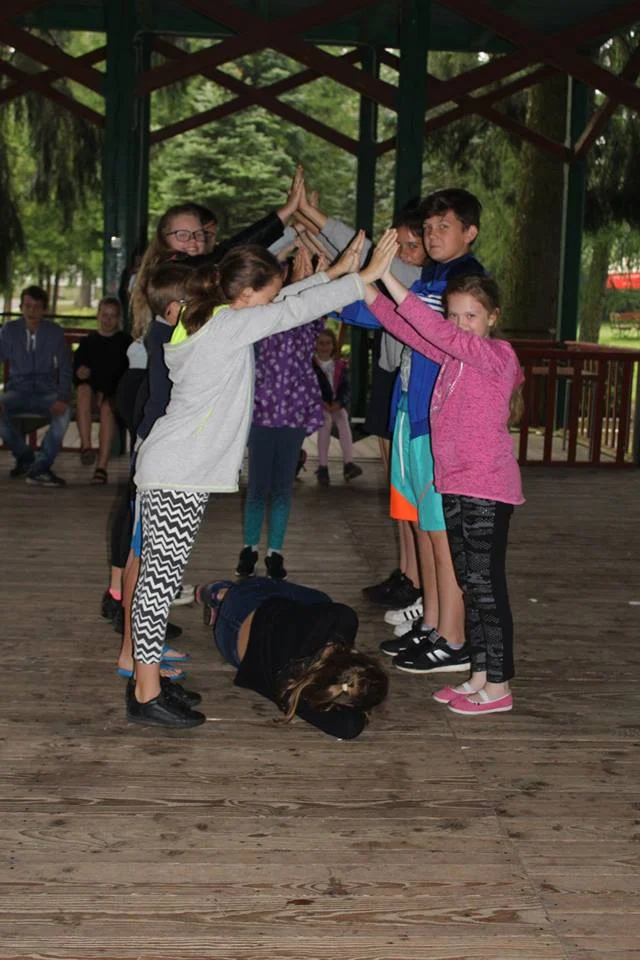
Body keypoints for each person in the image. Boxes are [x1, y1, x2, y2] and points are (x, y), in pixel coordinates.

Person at [128, 235, 380, 728]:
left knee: (159, 581)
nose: (270, 301)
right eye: (265, 294)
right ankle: (146, 692)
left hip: (177, 468)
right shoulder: (227, 326)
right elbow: (288, 312)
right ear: (244, 296)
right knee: (159, 585)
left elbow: (283, 301)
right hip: (178, 473)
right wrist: (359, 281)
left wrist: (329, 276)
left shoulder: (213, 314)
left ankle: (148, 679)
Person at [365, 236, 524, 715]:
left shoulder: (498, 356)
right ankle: (479, 674)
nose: (459, 324)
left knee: (486, 587)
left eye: (470, 315)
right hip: (454, 482)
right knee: (471, 583)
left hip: (485, 487)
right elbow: (409, 330)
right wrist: (368, 287)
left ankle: (499, 687)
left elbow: (433, 330)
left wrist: (388, 277)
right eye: (453, 315)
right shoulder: (453, 358)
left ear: (492, 317)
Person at [295, 191, 426, 611]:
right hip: (392, 376)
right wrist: (312, 237)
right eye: (400, 244)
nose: (402, 254)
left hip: (409, 386)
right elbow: (358, 268)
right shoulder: (406, 274)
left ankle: (417, 580)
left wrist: (310, 217)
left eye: (412, 245)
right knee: (397, 486)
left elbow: (361, 253)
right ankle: (408, 573)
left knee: (409, 490)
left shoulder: (421, 278)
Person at [235, 245, 330, 582]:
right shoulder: (266, 311)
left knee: (282, 488)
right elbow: (258, 278)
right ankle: (249, 548)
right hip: (261, 412)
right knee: (258, 485)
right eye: (292, 272)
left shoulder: (310, 317)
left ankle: (275, 551)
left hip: (293, 412)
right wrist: (290, 248)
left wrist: (315, 278)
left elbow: (321, 301)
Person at [198, 578, 388, 738]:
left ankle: (221, 592)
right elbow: (350, 727)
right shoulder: (303, 693)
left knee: (320, 600)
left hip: (243, 603)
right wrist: (359, 706)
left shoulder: (342, 618)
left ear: (359, 657)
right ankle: (220, 605)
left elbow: (338, 620)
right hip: (230, 647)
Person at [0, 285, 72, 487]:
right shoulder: (9, 330)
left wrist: (62, 397)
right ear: (21, 307)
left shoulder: (54, 332)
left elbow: (65, 368)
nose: (32, 311)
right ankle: (25, 457)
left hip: (46, 391)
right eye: (28, 306)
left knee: (65, 413)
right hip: (16, 391)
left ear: (44, 310)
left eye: (37, 307)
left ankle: (41, 467)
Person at [74, 296, 132, 484]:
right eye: (104, 315)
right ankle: (86, 447)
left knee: (107, 408)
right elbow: (78, 373)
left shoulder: (125, 342)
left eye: (112, 316)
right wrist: (81, 373)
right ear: (98, 315)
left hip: (115, 394)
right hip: (92, 393)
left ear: (119, 318)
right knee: (83, 390)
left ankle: (102, 467)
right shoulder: (88, 342)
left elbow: (125, 374)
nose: (108, 320)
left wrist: (104, 393)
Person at [313, 327, 361, 485]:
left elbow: (346, 388)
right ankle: (323, 466)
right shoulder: (311, 366)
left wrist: (339, 403)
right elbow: (310, 388)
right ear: (315, 345)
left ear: (333, 345)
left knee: (343, 417)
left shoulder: (340, 366)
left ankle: (348, 462)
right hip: (317, 405)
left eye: (328, 343)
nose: (324, 347)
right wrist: (322, 403)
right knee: (325, 421)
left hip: (335, 405)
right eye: (321, 343)